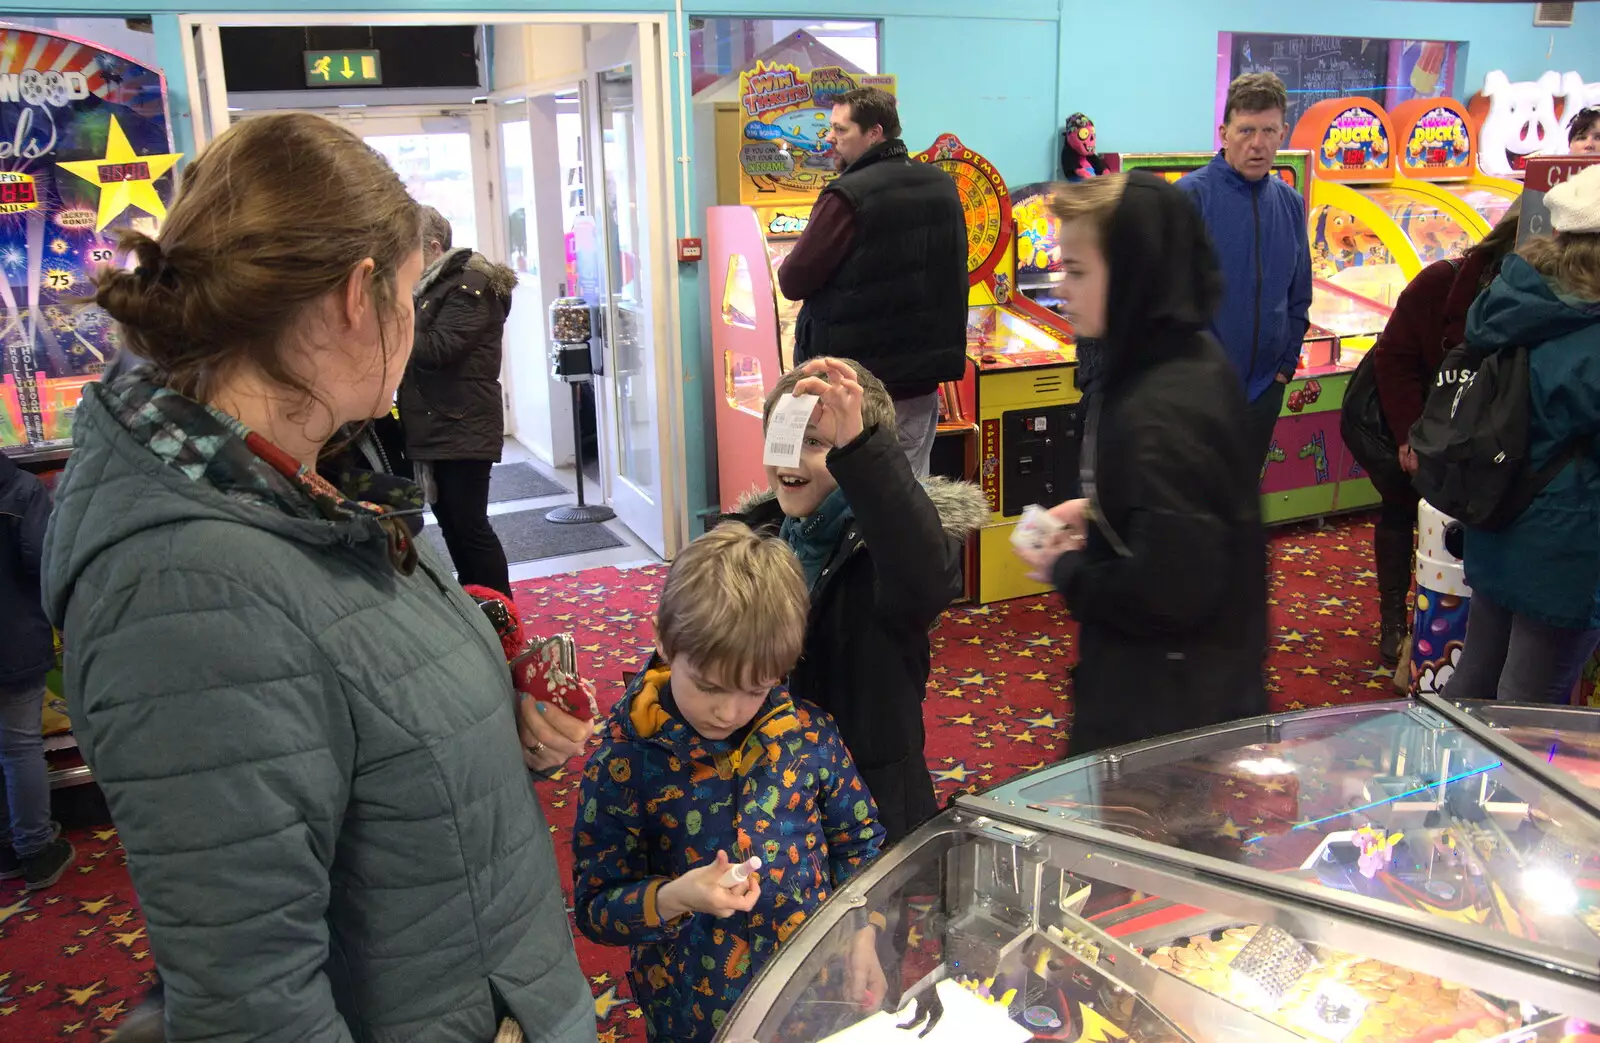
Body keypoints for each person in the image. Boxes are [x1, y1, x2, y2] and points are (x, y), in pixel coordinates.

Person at [44, 113, 596, 1042]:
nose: (413, 325)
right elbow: (252, 1005)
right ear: (357, 296)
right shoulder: (188, 589)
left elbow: (350, 718)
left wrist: (493, 718)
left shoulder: (301, 471)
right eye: (412, 296)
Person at [571, 523, 886, 1042]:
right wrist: (675, 896)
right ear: (663, 641)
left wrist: (862, 933)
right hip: (692, 1014)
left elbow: (861, 842)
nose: (728, 711)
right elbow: (595, 907)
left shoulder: (807, 734)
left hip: (809, 995)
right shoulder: (623, 761)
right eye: (710, 686)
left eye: (756, 689)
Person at [1015, 173, 1268, 755]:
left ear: (1133, 273)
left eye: (1077, 271)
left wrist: (1065, 569)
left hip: (1168, 710)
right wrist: (1104, 511)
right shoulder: (1178, 356)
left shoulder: (1161, 405)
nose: (1061, 288)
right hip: (1186, 686)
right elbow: (1183, 520)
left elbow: (1169, 590)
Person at [731, 357, 987, 843]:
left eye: (816, 444)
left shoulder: (882, 551)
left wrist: (862, 451)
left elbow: (925, 575)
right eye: (783, 438)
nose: (790, 460)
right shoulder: (749, 538)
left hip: (869, 799)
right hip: (765, 790)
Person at [1445, 164, 1600, 703]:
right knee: (1530, 710)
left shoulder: (1518, 303)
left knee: (1476, 682)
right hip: (1568, 544)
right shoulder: (1589, 336)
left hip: (1499, 513)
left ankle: (1450, 785)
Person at [776, 87, 969, 477]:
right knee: (907, 494)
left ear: (874, 133)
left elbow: (793, 280)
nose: (830, 138)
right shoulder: (942, 184)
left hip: (856, 389)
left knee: (849, 501)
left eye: (840, 129)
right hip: (920, 382)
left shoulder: (848, 194)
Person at [1365, 203, 1523, 665]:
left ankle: (1455, 632)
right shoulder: (1441, 282)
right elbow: (1392, 357)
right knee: (1399, 511)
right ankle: (1394, 618)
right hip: (1421, 426)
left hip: (1479, 440)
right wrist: (1410, 434)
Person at [1178, 72, 1313, 469]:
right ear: (1224, 132)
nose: (1258, 144)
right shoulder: (1190, 198)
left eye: (1269, 130)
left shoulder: (1290, 203)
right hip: (1197, 397)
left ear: (1283, 132)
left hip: (1263, 392)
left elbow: (1299, 295)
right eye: (1246, 130)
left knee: (1238, 507)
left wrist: (1284, 370)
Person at [399, 206, 516, 595]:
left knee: (470, 527)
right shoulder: (434, 285)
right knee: (452, 524)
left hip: (461, 422)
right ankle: (478, 605)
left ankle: (501, 618)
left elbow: (437, 349)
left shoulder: (471, 283)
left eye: (407, 249)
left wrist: (393, 314)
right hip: (438, 422)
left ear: (433, 247)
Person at [0, 451, 74, 890]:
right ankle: (35, 849)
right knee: (19, 747)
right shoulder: (22, 488)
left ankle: (6, 847)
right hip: (13, 635)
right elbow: (43, 564)